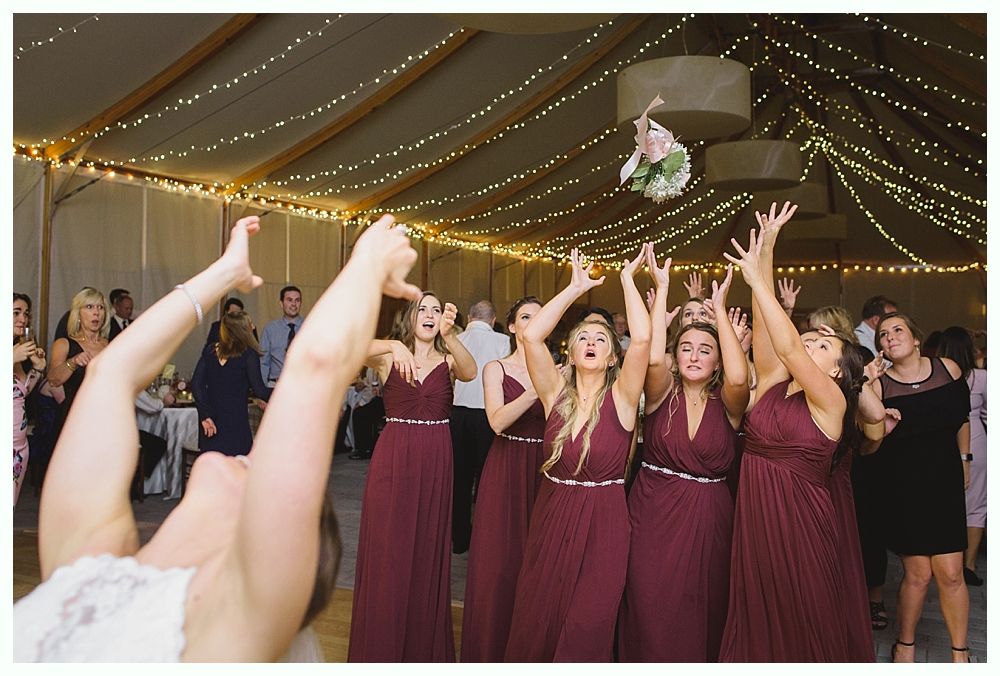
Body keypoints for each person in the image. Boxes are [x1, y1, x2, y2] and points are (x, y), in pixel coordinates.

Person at [14, 213, 422, 661]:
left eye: (258, 469)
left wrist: (367, 265)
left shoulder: (233, 623)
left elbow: (317, 367)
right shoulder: (94, 570)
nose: (252, 459)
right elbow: (110, 374)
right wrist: (224, 272)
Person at [719, 202, 864, 661]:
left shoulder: (832, 401)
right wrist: (767, 250)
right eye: (810, 338)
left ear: (839, 371)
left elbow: (786, 342)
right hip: (756, 516)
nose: (809, 343)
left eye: (823, 345)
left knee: (806, 610)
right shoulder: (774, 385)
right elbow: (769, 332)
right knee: (757, 606)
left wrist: (758, 282)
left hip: (802, 521)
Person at [504, 245, 651, 661]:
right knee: (540, 614)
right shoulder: (554, 394)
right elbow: (532, 336)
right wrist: (573, 288)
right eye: (582, 337)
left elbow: (642, 338)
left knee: (589, 621)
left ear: (611, 357)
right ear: (570, 351)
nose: (590, 342)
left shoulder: (623, 397)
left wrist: (626, 280)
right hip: (553, 514)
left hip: (605, 520)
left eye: (600, 338)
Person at [618, 257, 749, 662]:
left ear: (717, 360)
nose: (694, 356)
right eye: (687, 348)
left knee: (702, 603)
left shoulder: (729, 403)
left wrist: (721, 311)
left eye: (705, 350)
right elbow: (654, 357)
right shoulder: (660, 392)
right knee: (648, 597)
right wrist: (660, 290)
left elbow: (741, 378)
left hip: (710, 515)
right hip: (653, 509)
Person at [348, 291, 477, 662]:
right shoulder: (388, 356)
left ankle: (420, 649)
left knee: (425, 549)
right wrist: (391, 343)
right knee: (389, 549)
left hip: (436, 459)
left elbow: (471, 371)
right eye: (424, 308)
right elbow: (347, 344)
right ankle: (381, 648)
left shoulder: (449, 360)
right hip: (394, 459)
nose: (430, 314)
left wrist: (451, 335)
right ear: (411, 315)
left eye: (437, 310)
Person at [874, 313, 972, 663]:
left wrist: (966, 458)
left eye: (898, 329)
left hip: (944, 480)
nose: (890, 336)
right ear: (881, 348)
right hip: (903, 486)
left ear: (915, 338)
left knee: (951, 572)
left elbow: (963, 419)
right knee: (918, 574)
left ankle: (960, 653)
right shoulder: (880, 385)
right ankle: (906, 645)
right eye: (883, 334)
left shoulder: (948, 369)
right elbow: (869, 444)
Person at [461, 296, 546, 662]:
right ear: (510, 326)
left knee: (539, 564)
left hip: (545, 469)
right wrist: (534, 389)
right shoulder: (495, 368)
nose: (533, 324)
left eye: (541, 318)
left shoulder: (561, 368)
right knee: (499, 564)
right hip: (507, 465)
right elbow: (496, 421)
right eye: (525, 317)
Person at [451, 300, 511, 553]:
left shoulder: (456, 338)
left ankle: (460, 538)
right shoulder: (502, 341)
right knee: (487, 479)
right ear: (493, 320)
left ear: (468, 316)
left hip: (457, 414)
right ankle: (486, 540)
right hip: (488, 414)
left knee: (460, 480)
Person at [936, 326, 987, 587]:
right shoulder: (981, 377)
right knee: (976, 506)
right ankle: (968, 565)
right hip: (977, 443)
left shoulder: (936, 376)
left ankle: (944, 561)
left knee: (943, 502)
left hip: (943, 442)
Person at [191, 311, 272, 456]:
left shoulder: (210, 351)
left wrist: (205, 414)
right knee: (238, 472)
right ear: (242, 330)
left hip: (211, 423)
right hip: (236, 425)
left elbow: (196, 385)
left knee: (212, 471)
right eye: (250, 324)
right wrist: (285, 391)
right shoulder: (248, 355)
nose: (253, 327)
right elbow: (260, 390)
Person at [46, 288, 110, 446]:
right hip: (76, 419)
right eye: (89, 307)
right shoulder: (64, 344)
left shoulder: (110, 345)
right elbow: (54, 379)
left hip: (106, 418)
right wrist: (73, 362)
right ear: (78, 314)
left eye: (100, 307)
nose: (96, 313)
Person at [14, 293, 47, 506]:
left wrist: (37, 368)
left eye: (26, 314)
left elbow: (20, 393)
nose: (22, 319)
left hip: (18, 449)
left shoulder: (16, 351)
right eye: (15, 313)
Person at [259, 285, 304, 386]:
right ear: (281, 303)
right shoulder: (270, 329)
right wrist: (262, 392)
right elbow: (263, 362)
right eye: (289, 300)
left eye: (297, 300)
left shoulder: (310, 328)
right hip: (276, 385)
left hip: (303, 386)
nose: (294, 304)